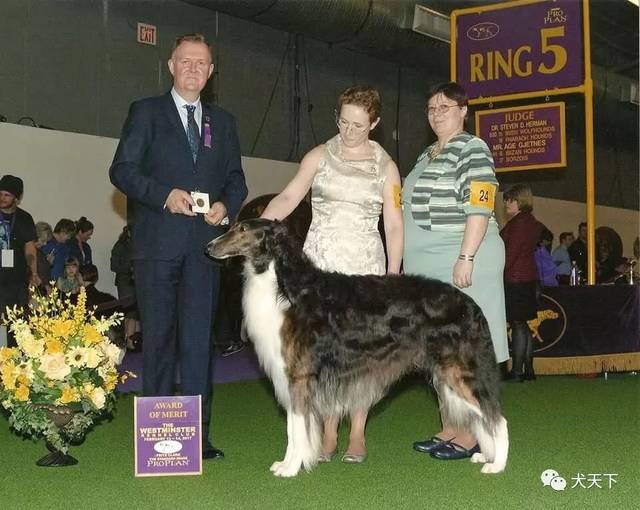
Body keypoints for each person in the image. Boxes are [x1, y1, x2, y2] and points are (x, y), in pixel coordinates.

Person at [109, 33, 247, 461]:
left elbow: (236, 179)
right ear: (170, 66)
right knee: (160, 342)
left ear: (211, 72)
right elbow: (122, 171)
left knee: (197, 344)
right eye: (185, 61)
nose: (192, 68)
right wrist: (162, 194)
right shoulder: (145, 112)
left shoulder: (223, 123)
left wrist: (226, 205)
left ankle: (198, 437)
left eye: (201, 63)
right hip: (156, 247)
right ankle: (158, 439)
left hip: (204, 250)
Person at [261, 85, 403, 464]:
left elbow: (393, 223)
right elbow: (289, 198)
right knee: (321, 351)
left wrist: (392, 275)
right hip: (320, 266)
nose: (349, 131)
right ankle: (327, 432)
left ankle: (357, 432)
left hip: (364, 269)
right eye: (343, 122)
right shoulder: (318, 156)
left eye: (359, 125)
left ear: (374, 122)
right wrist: (256, 228)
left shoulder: (387, 168)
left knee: (362, 352)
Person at [402, 82, 508, 461]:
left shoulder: (473, 148)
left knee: (465, 348)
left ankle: (476, 433)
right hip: (427, 265)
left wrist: (467, 257)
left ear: (464, 110)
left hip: (461, 256)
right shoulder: (425, 155)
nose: (436, 112)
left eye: (445, 106)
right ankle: (450, 427)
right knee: (439, 351)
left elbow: (480, 202)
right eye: (431, 107)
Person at [500, 183, 545, 383]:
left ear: (519, 201)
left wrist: (498, 275)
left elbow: (510, 255)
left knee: (518, 324)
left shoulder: (518, 224)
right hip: (529, 279)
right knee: (524, 324)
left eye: (509, 200)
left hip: (515, 280)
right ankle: (529, 370)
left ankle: (517, 371)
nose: (506, 204)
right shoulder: (531, 222)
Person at [0, 175, 40, 347]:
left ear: (17, 198)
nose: (2, 198)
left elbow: (30, 248)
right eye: (0, 193)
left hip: (16, 281)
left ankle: (14, 365)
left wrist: (34, 273)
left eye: (7, 195)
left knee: (16, 324)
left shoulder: (25, 218)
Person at [110, 225, 141, 351]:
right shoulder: (120, 246)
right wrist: (129, 267)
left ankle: (136, 339)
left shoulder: (137, 244)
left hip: (136, 281)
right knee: (130, 312)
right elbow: (114, 266)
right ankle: (128, 341)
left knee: (136, 312)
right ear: (128, 233)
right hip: (125, 282)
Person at [34, 221, 53, 294]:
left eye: (46, 241)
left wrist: (48, 263)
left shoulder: (39, 251)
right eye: (43, 241)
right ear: (35, 236)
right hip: (36, 290)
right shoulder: (29, 252)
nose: (45, 244)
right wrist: (46, 285)